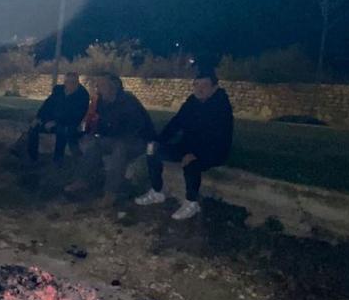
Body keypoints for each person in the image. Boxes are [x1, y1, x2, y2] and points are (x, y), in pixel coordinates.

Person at [134, 69, 234, 220]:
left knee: (191, 163)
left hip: (214, 151)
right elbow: (176, 123)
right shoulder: (192, 102)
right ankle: (157, 191)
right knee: (153, 151)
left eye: (204, 85)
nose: (199, 88)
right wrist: (158, 140)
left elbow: (219, 138)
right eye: (196, 85)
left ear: (214, 88)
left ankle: (191, 203)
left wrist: (197, 154)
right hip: (188, 146)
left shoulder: (221, 107)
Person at [65, 73, 155, 204]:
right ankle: (81, 180)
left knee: (120, 149)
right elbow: (103, 124)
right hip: (116, 138)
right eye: (98, 85)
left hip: (138, 141)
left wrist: (112, 134)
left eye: (101, 85)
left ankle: (110, 192)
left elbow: (135, 128)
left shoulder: (128, 101)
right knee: (95, 145)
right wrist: (94, 133)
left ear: (113, 87)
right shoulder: (102, 101)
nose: (97, 88)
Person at [25, 72, 89, 163]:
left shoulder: (82, 95)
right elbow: (47, 106)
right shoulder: (58, 90)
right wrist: (39, 118)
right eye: (67, 82)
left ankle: (58, 160)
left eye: (73, 82)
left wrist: (56, 122)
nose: (70, 85)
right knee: (34, 127)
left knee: (62, 130)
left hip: (69, 124)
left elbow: (76, 116)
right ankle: (32, 158)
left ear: (77, 83)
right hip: (50, 122)